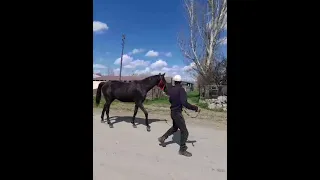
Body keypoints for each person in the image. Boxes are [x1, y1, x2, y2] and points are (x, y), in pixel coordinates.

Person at [158, 75, 200, 157]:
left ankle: (162, 138)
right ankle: (182, 150)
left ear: (174, 81)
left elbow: (170, 100)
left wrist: (177, 104)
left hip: (173, 112)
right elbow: (185, 103)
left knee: (175, 128)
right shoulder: (181, 90)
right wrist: (195, 108)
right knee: (185, 132)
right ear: (180, 82)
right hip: (177, 113)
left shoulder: (171, 90)